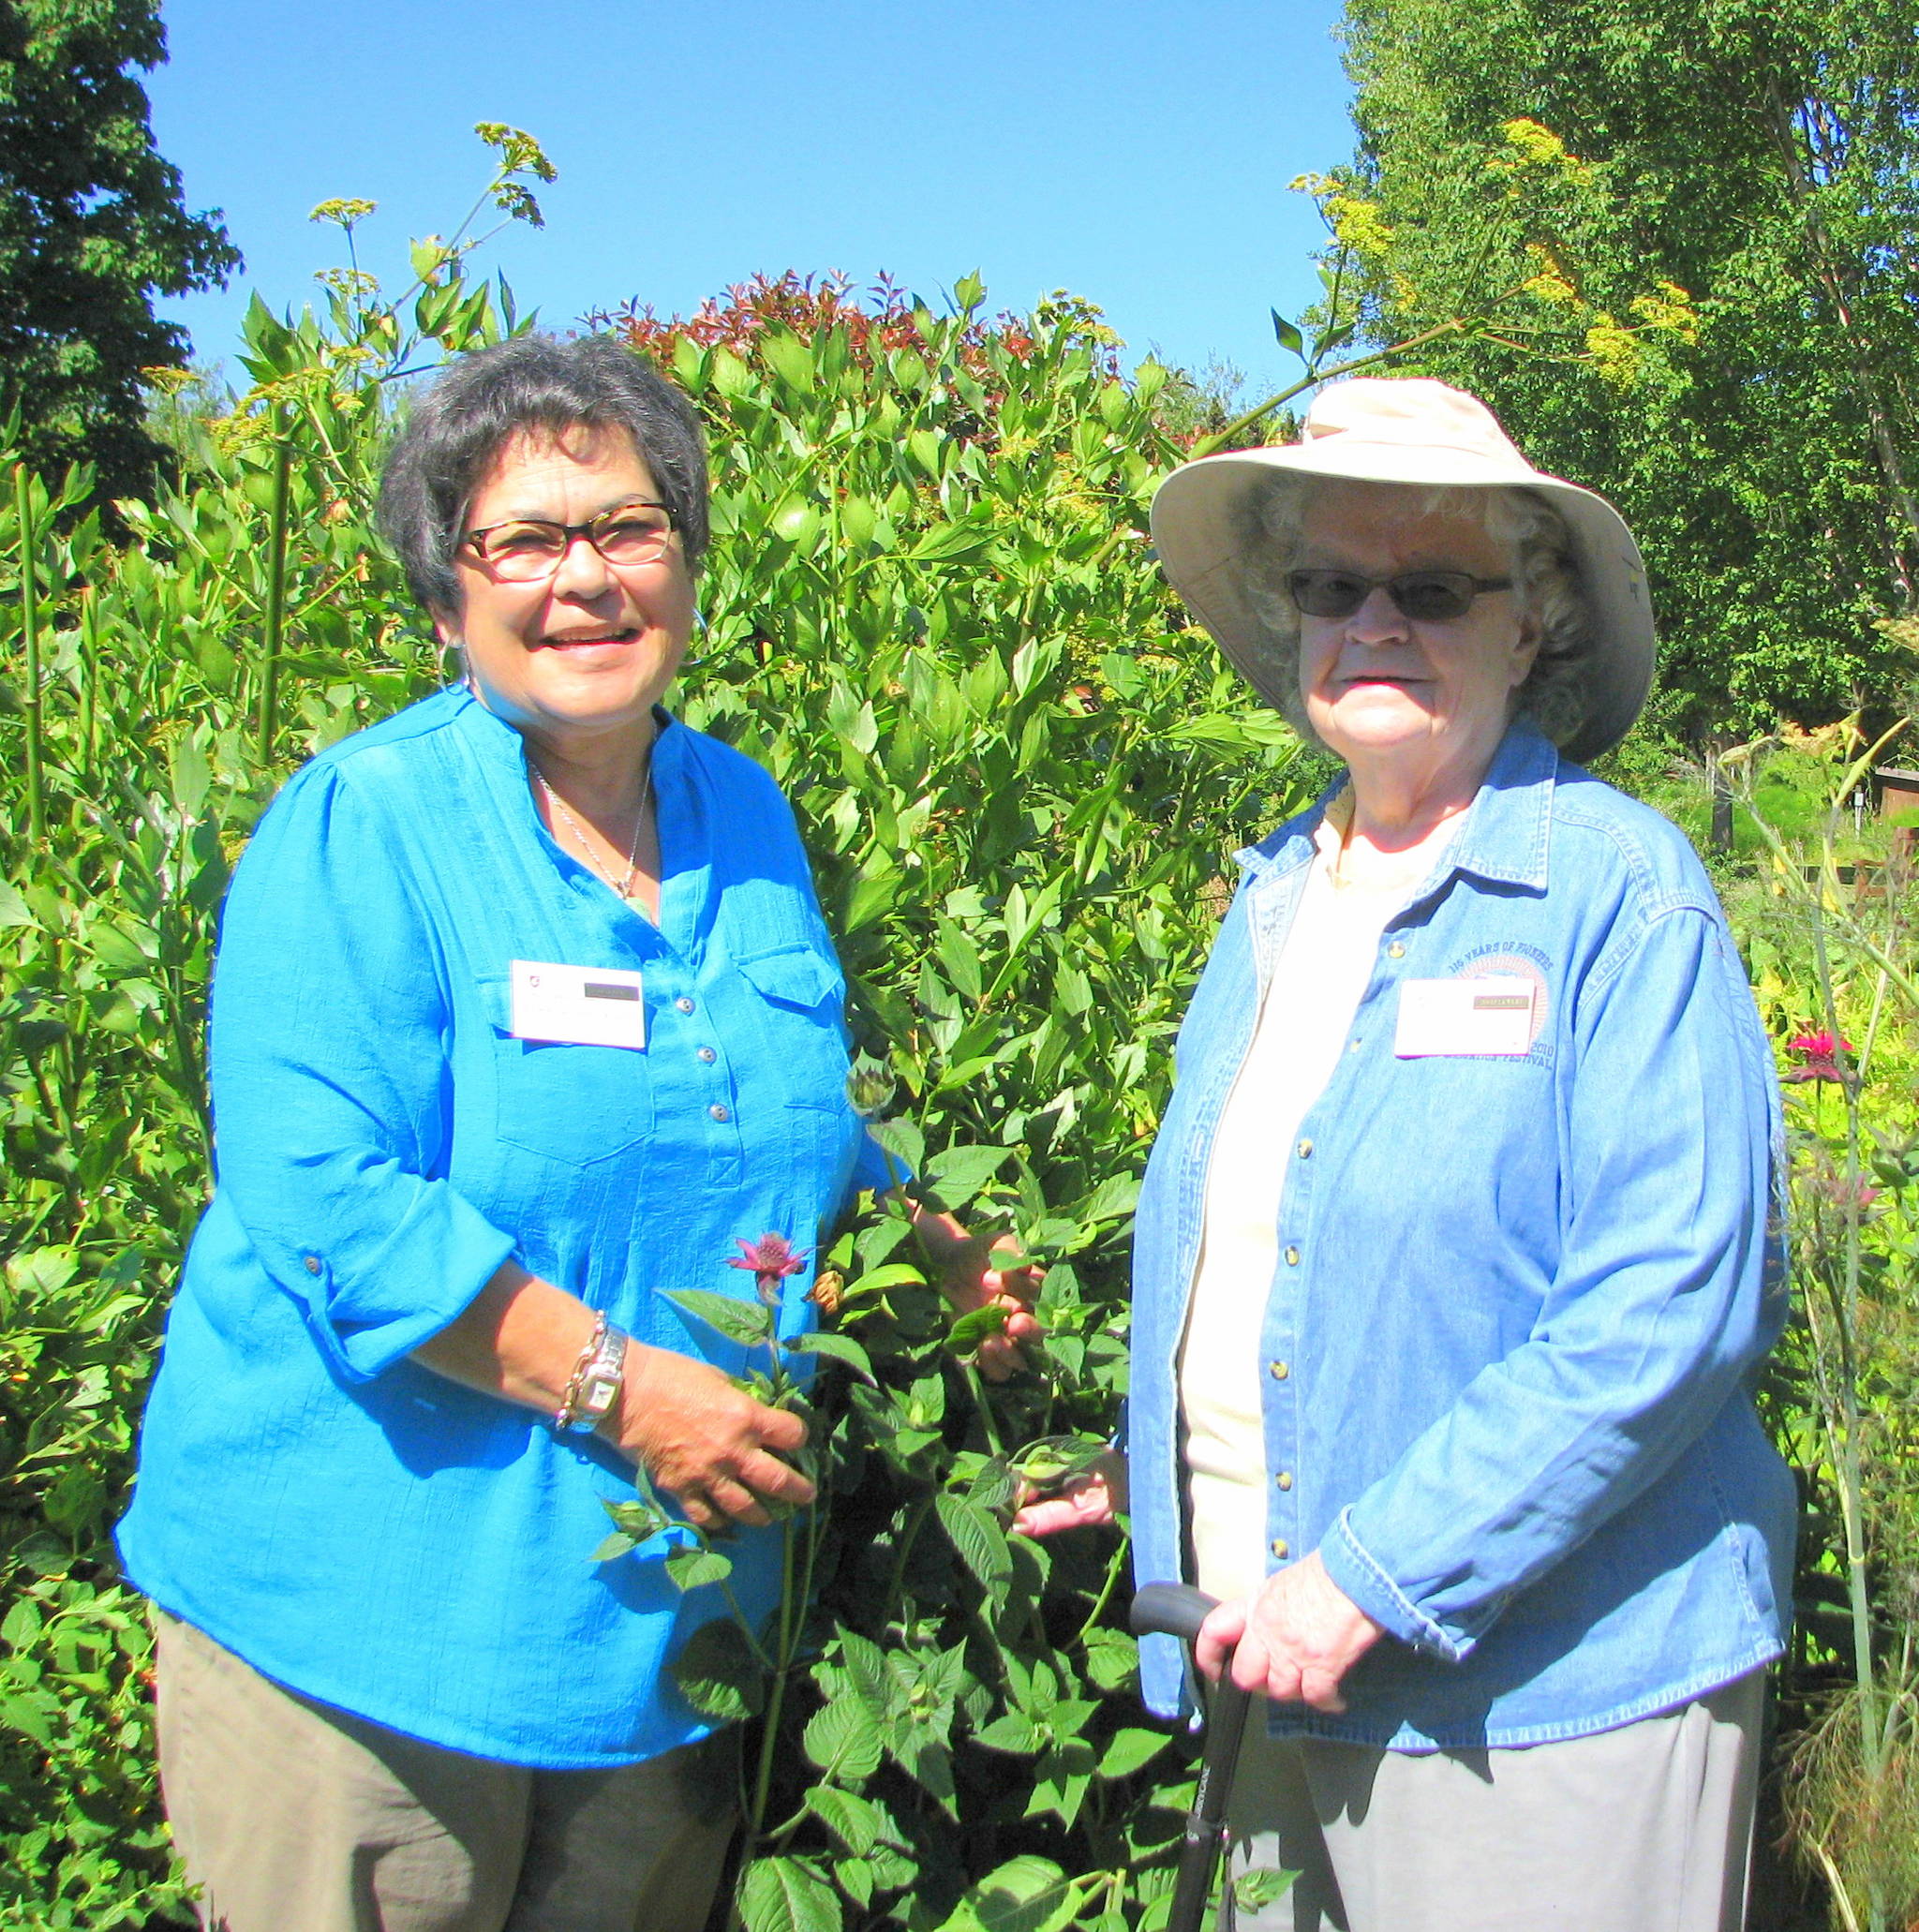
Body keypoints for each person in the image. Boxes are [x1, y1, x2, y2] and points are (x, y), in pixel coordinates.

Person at [118, 333, 1037, 1932]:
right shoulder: (369, 823)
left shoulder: (740, 811)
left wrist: (929, 1241)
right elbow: (322, 1195)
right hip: (372, 1626)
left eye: (626, 528)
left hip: (661, 1628)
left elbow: (777, 1101)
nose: (585, 579)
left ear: (685, 563)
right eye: (523, 541)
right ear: (445, 595)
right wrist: (618, 1387)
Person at [1018, 378, 1793, 1931]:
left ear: (1534, 625)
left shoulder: (1616, 896)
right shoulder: (1273, 906)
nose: (1374, 619)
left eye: (1431, 587)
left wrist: (1363, 1572)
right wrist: (1173, 1459)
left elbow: (1671, 1304)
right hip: (1267, 1662)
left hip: (1544, 1706)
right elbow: (1303, 1263)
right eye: (1331, 585)